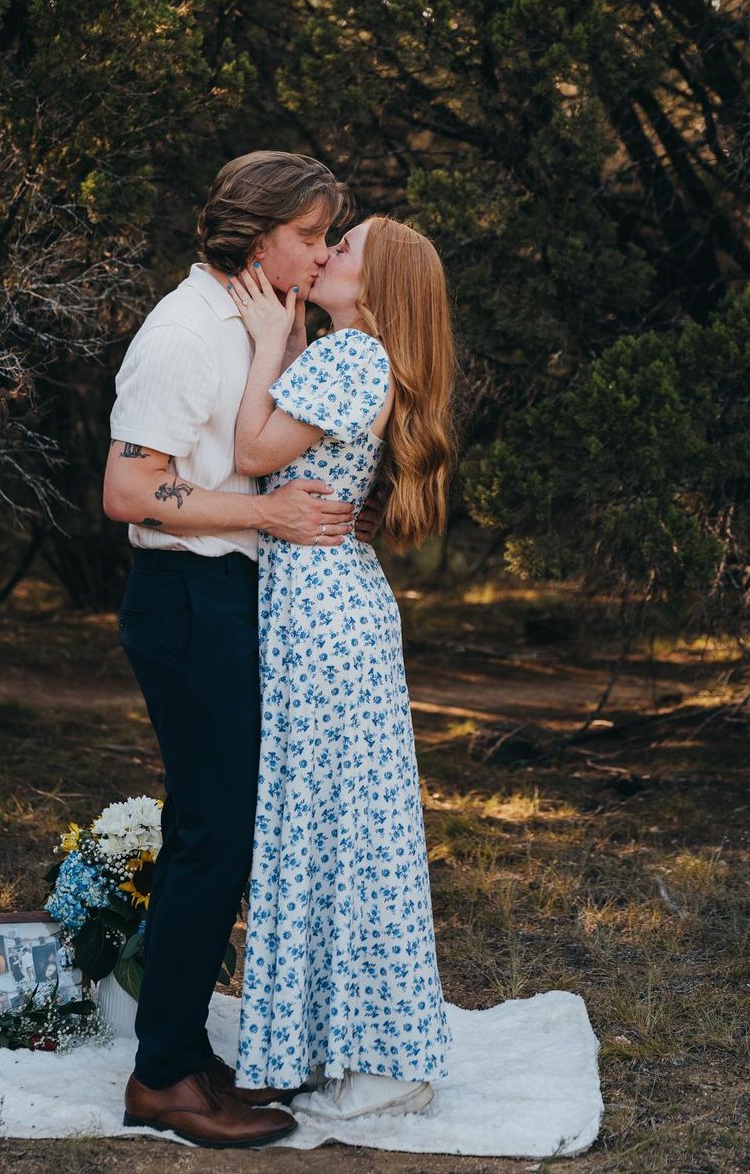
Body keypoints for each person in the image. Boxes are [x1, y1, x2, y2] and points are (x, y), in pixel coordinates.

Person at [103, 152, 382, 1149]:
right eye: (308, 234)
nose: (321, 251)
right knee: (215, 833)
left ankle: (180, 1046)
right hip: (185, 596)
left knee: (216, 827)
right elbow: (131, 490)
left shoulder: (255, 323)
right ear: (255, 236)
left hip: (229, 594)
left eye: (328, 235)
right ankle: (162, 1078)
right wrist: (265, 514)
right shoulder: (184, 332)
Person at [229, 215, 456, 1120]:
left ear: (378, 284)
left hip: (324, 616)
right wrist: (286, 342)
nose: (325, 253)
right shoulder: (357, 357)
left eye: (345, 246)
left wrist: (264, 342)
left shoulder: (353, 354)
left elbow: (252, 455)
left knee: (340, 832)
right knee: (348, 829)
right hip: (334, 605)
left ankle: (383, 1058)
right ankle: (359, 1043)